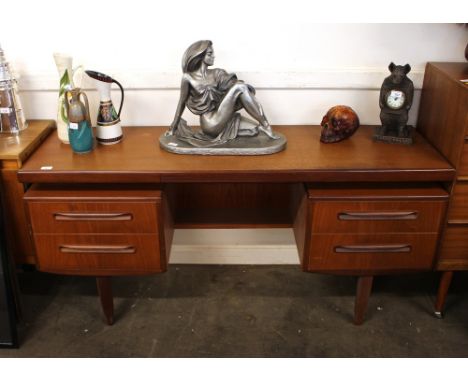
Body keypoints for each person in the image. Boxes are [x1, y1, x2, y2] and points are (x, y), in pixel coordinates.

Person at [167, 40, 278, 146]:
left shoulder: (217, 73)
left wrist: (240, 91)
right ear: (200, 55)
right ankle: (266, 125)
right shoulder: (188, 77)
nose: (213, 56)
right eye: (210, 53)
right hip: (210, 123)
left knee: (254, 130)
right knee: (240, 87)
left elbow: (232, 86)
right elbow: (181, 103)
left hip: (223, 117)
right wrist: (173, 127)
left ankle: (260, 127)